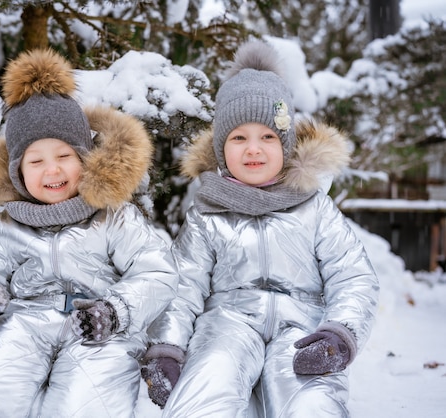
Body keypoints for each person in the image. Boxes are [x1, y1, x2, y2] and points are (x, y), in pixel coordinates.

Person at [0, 49, 178, 418]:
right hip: (24, 323)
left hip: (97, 328)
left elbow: (156, 272)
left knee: (88, 404)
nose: (52, 170)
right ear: (17, 172)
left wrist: (115, 311)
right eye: (36, 161)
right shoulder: (9, 223)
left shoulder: (113, 216)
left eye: (64, 156)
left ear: (85, 158)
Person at [140, 40, 379, 417]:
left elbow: (352, 274)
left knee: (311, 400)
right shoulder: (208, 213)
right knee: (208, 380)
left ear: (285, 144)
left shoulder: (313, 206)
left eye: (268, 137)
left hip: (302, 330)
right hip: (227, 324)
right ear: (221, 148)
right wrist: (167, 348)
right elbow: (183, 286)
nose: (254, 149)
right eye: (239, 138)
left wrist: (338, 333)